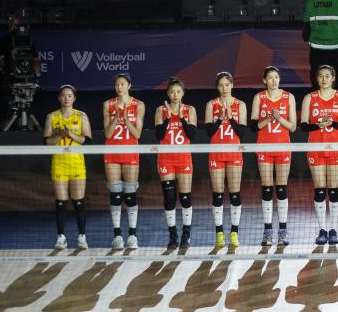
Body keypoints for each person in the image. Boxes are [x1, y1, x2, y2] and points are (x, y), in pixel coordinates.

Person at [301, 65, 338, 246]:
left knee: (334, 189)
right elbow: (303, 126)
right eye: (321, 76)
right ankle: (322, 229)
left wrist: (332, 124)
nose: (324, 79)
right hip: (316, 148)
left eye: (327, 76)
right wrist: (318, 125)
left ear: (333, 78)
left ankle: (333, 229)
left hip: (335, 147)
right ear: (317, 78)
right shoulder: (310, 98)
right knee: (320, 189)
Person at [252, 66, 297, 246]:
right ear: (265, 80)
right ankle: (268, 231)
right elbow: (255, 125)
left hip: (283, 147)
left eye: (276, 77)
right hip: (264, 148)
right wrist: (268, 119)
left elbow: (293, 127)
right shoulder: (259, 97)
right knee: (267, 188)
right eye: (270, 78)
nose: (274, 80)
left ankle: (283, 231)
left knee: (282, 188)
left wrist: (279, 118)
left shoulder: (288, 97)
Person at [204, 73, 249, 248]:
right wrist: (220, 119)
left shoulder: (240, 105)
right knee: (218, 194)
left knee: (235, 193)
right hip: (216, 153)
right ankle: (219, 234)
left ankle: (234, 233)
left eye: (227, 84)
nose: (224, 88)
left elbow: (242, 133)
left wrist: (230, 117)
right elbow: (208, 132)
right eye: (221, 85)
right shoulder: (211, 104)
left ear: (232, 85)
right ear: (217, 87)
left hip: (234, 154)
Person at [43, 85, 92, 251]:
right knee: (61, 202)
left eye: (70, 95)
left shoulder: (82, 116)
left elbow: (87, 140)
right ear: (59, 98)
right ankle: (61, 238)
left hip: (77, 163)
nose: (66, 98)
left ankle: (82, 237)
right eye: (63, 95)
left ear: (74, 98)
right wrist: (60, 136)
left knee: (79, 201)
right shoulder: (51, 117)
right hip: (59, 163)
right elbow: (46, 141)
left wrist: (70, 134)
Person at [103, 74, 145, 250]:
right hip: (112, 152)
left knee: (130, 193)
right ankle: (117, 236)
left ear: (129, 85)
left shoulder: (139, 105)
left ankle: (133, 236)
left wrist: (126, 118)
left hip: (130, 152)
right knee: (115, 193)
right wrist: (115, 117)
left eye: (122, 84)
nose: (119, 87)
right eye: (117, 84)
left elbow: (137, 134)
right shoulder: (108, 104)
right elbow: (107, 134)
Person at [155, 78, 198, 250]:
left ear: (183, 93)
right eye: (172, 92)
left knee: (185, 197)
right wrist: (167, 118)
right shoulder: (160, 110)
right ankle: (173, 234)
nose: (175, 95)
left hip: (183, 158)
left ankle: (186, 234)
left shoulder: (190, 110)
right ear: (168, 93)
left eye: (178, 92)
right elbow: (159, 135)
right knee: (170, 198)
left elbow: (192, 134)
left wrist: (181, 118)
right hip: (166, 158)